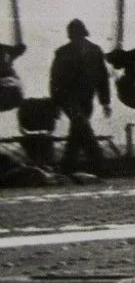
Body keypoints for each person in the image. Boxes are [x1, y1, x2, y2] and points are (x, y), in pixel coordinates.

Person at [50, 19, 111, 176]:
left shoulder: (89, 51)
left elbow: (102, 78)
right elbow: (56, 80)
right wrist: (105, 102)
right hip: (69, 99)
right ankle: (99, 165)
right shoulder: (93, 51)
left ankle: (67, 166)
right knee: (83, 128)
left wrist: (105, 102)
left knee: (77, 132)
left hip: (83, 101)